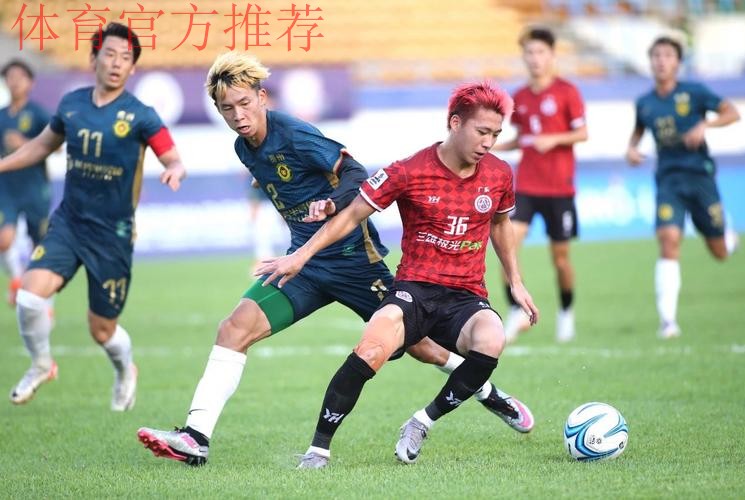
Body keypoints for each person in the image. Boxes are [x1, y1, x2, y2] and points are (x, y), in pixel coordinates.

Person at [137, 54, 534, 467]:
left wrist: (330, 202)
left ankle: (488, 392)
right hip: (303, 265)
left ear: (262, 97)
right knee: (233, 328)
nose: (238, 115)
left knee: (420, 346)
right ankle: (196, 437)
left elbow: (355, 173)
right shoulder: (244, 147)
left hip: (354, 263)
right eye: (227, 108)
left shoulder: (294, 134)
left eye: (244, 103)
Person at [257, 81, 539, 469]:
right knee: (371, 348)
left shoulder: (499, 174)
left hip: (466, 295)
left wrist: (516, 282)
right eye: (482, 132)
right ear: (455, 123)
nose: (489, 143)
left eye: (496, 134)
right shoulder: (409, 171)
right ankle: (318, 449)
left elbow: (501, 224)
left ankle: (422, 421)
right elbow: (352, 216)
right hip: (414, 291)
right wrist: (301, 256)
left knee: (493, 338)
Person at [0, 23, 187, 410]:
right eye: (110, 55)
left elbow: (171, 155)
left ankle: (125, 370)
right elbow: (41, 146)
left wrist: (174, 168)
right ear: (93, 59)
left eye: (126, 58)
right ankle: (41, 364)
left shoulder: (141, 115)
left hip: (112, 234)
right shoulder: (72, 104)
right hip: (69, 223)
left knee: (101, 330)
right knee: (29, 298)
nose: (117, 63)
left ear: (132, 68)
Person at [626, 36, 740, 339]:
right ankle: (668, 321)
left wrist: (705, 125)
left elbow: (733, 112)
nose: (661, 61)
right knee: (668, 240)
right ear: (651, 62)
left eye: (667, 55)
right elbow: (638, 132)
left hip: (700, 177)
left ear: (678, 62)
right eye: (656, 56)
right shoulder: (644, 102)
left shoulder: (696, 92)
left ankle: (728, 238)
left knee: (719, 252)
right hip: (668, 180)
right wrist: (632, 149)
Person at [494, 27, 587, 344]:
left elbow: (582, 133)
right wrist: (490, 148)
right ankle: (516, 312)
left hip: (560, 190)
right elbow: (522, 139)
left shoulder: (567, 91)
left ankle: (566, 313)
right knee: (507, 250)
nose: (535, 59)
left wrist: (555, 139)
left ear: (552, 55)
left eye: (540, 52)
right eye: (529, 53)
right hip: (526, 189)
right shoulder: (519, 97)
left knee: (560, 259)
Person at [0, 59, 51, 306]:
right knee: (4, 239)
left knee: (40, 247)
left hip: (34, 188)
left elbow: (56, 146)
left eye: (20, 77)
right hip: (6, 188)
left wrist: (24, 144)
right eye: (10, 77)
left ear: (30, 82)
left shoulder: (39, 113)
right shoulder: (1, 116)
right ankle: (18, 279)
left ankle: (44, 301)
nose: (14, 82)